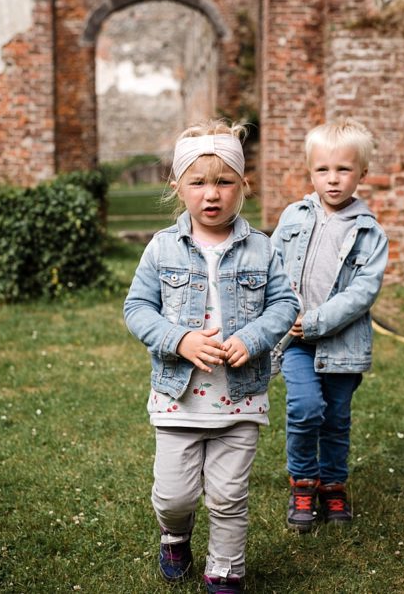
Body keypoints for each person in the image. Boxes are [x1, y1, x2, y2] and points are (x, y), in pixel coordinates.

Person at [124, 120, 299, 594]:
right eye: (198, 182)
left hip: (239, 401)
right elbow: (137, 308)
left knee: (228, 496)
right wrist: (179, 340)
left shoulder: (262, 248)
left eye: (223, 181)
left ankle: (225, 571)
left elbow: (285, 304)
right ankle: (175, 535)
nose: (211, 194)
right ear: (178, 187)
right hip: (178, 401)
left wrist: (255, 338)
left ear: (243, 185)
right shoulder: (162, 248)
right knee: (174, 495)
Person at [271, 119, 388, 532]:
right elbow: (272, 269)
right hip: (295, 340)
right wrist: (280, 316)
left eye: (344, 170)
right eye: (323, 170)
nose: (333, 179)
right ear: (310, 172)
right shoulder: (293, 216)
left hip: (342, 343)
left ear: (362, 174)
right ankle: (303, 479)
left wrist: (317, 320)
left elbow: (362, 292)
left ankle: (333, 484)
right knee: (305, 409)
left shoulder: (369, 232)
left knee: (336, 419)